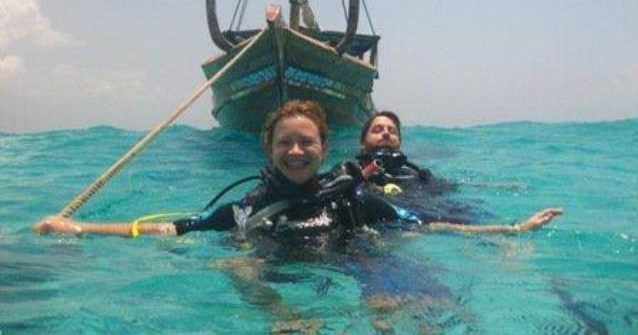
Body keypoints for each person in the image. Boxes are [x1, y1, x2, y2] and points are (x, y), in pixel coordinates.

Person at [34, 101, 561, 238]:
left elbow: (425, 223)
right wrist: (78, 227)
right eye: (285, 143)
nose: (295, 151)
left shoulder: (353, 200)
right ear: (268, 149)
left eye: (306, 142)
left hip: (342, 275)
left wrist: (510, 228)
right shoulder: (248, 210)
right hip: (279, 287)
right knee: (241, 269)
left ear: (324, 148)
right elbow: (175, 228)